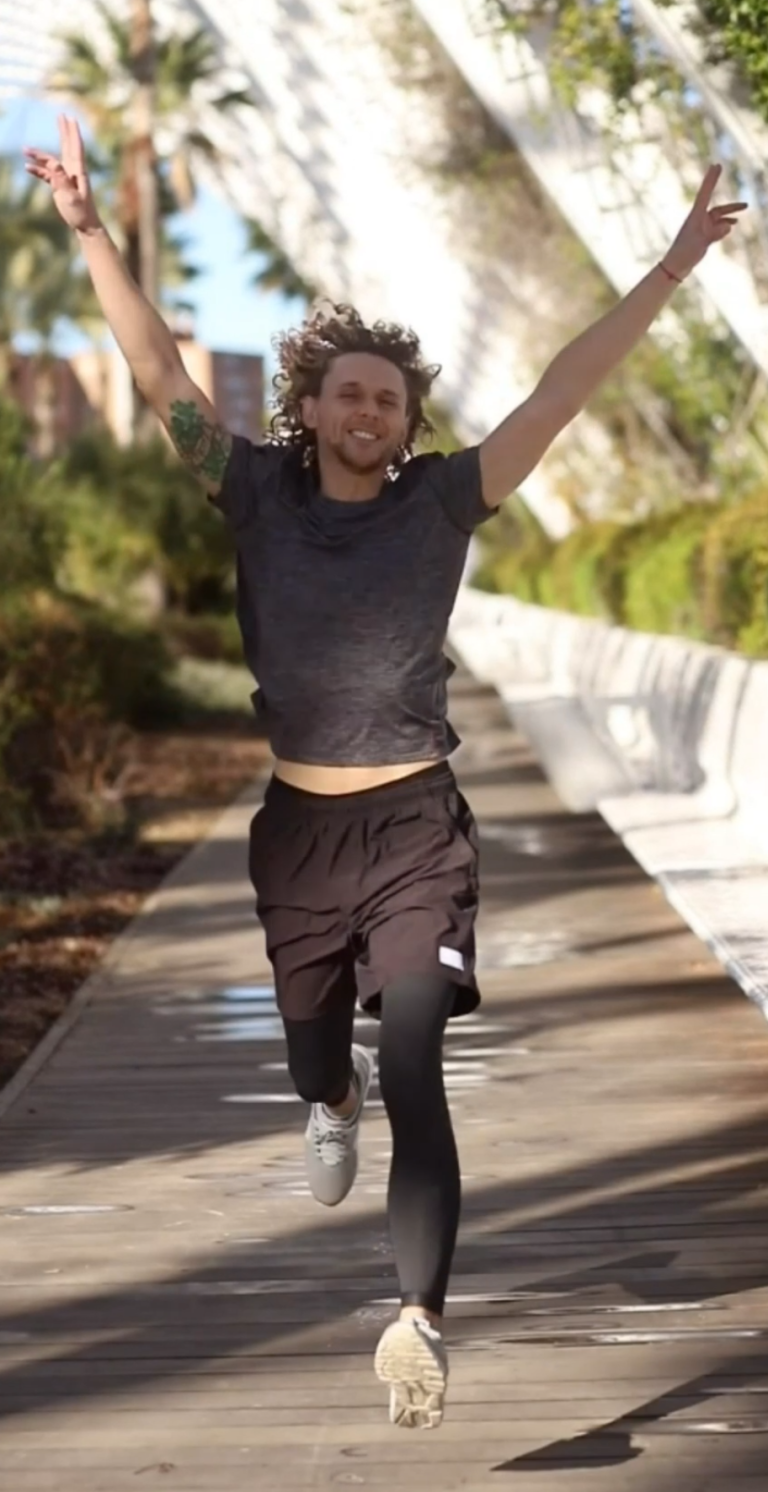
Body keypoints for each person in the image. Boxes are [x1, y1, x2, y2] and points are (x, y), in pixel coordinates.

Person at [25, 114, 745, 1430]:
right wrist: (88, 231)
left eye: (389, 400)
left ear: (409, 424)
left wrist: (670, 266)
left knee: (416, 1056)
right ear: (307, 408)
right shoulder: (251, 493)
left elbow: (560, 394)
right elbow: (154, 367)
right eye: (347, 393)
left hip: (418, 828)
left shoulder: (442, 502)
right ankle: (328, 1094)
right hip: (299, 836)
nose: (368, 411)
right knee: (324, 1059)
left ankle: (418, 1319)